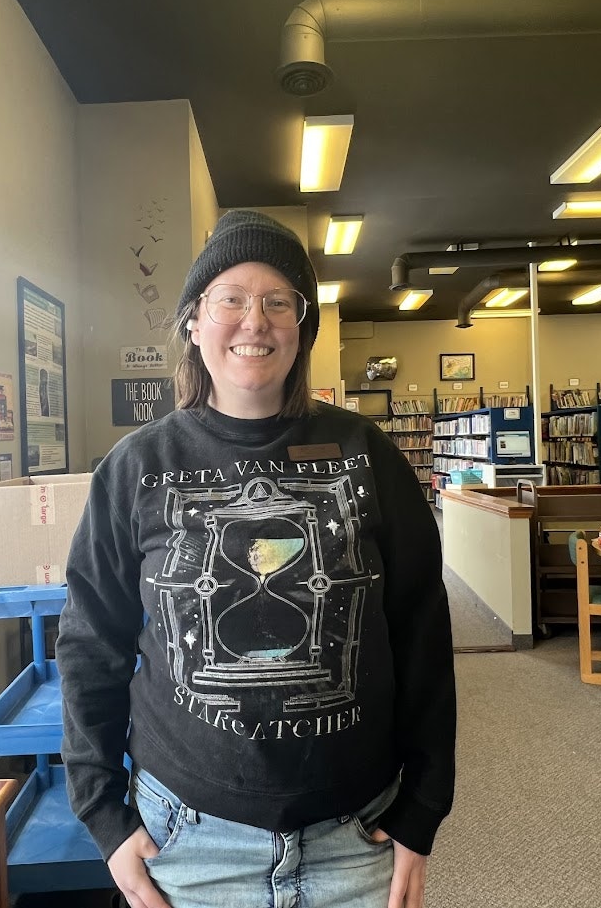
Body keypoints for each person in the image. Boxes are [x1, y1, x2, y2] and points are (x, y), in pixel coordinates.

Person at [56, 210, 456, 908]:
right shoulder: (136, 467)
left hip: (354, 832)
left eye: (278, 301)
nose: (254, 320)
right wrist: (102, 813)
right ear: (193, 321)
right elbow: (91, 644)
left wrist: (423, 808)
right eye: (230, 299)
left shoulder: (367, 454)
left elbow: (421, 635)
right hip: (186, 837)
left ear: (301, 327)